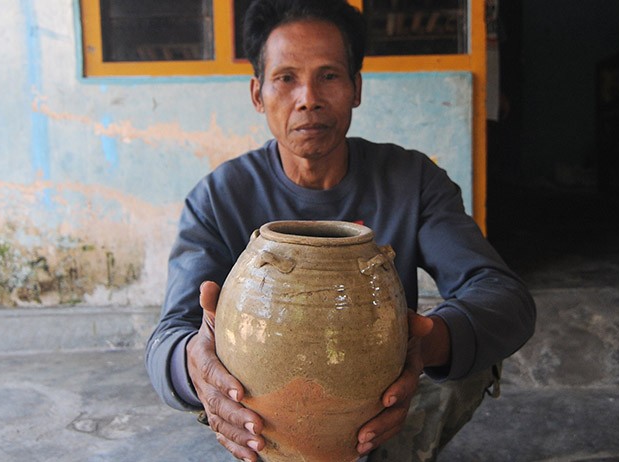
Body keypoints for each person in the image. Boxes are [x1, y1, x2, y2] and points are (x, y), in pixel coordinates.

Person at [145, 1, 536, 461]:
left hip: (382, 409)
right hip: (263, 426)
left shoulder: (411, 181)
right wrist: (195, 365)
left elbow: (503, 297)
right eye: (285, 78)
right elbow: (168, 337)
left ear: (356, 88)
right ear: (257, 94)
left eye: (329, 75)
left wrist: (424, 344)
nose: (308, 98)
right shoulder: (219, 197)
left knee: (472, 344)